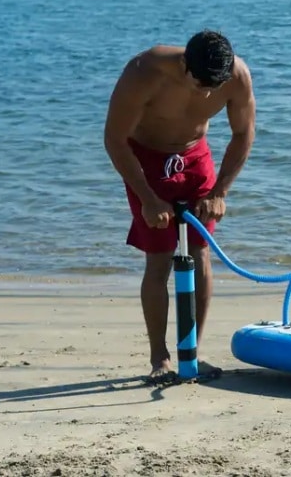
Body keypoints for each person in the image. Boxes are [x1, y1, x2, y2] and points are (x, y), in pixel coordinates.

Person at [103, 30, 256, 379]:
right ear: (184, 64)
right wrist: (147, 197)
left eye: (212, 87)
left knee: (200, 252)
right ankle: (161, 359)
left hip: (194, 156)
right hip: (147, 160)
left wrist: (220, 191)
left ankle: (192, 354)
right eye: (199, 83)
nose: (205, 93)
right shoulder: (144, 71)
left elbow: (243, 133)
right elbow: (114, 138)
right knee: (159, 260)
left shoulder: (237, 76)